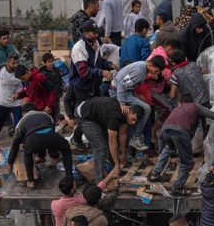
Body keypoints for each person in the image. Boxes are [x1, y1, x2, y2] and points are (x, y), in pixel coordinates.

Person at [149, 96, 214, 195]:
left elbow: (163, 137)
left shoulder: (177, 109)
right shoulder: (195, 106)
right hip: (180, 133)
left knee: (167, 149)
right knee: (186, 162)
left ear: (180, 102)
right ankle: (177, 187)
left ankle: (154, 174)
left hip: (164, 131)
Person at [68, 20, 118, 151]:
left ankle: (86, 139)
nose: (96, 35)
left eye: (97, 33)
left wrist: (109, 65)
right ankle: (77, 138)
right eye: (93, 33)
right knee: (83, 115)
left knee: (91, 114)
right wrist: (102, 72)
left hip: (93, 86)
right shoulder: (79, 48)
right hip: (82, 87)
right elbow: (83, 71)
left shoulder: (95, 43)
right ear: (86, 33)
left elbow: (99, 61)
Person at [6, 103, 72, 188]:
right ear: (36, 110)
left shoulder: (21, 121)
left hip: (34, 140)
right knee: (65, 148)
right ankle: (69, 178)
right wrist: (54, 155)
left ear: (24, 113)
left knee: (27, 152)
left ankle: (30, 181)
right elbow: (49, 134)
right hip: (51, 137)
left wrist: (9, 162)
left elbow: (15, 145)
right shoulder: (46, 115)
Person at [76, 97, 141, 180]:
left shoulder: (125, 115)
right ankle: (100, 179)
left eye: (135, 121)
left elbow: (123, 134)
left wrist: (124, 154)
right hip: (84, 116)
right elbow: (112, 141)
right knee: (100, 147)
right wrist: (117, 164)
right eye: (133, 119)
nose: (133, 123)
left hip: (96, 114)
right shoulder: (115, 115)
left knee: (108, 143)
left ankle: (113, 166)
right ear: (129, 111)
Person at [111, 56, 165, 151]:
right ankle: (136, 137)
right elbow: (121, 85)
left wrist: (135, 95)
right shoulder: (140, 70)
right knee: (146, 108)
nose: (157, 73)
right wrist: (122, 104)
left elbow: (131, 84)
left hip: (126, 92)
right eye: (156, 71)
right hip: (117, 92)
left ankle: (136, 137)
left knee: (143, 109)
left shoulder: (143, 67)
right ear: (151, 65)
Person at [40, 53, 65, 121]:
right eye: (49, 62)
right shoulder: (42, 73)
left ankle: (56, 124)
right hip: (48, 97)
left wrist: (61, 89)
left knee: (57, 111)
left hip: (56, 94)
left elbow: (60, 80)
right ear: (44, 63)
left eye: (52, 61)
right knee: (48, 112)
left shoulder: (56, 70)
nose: (51, 63)